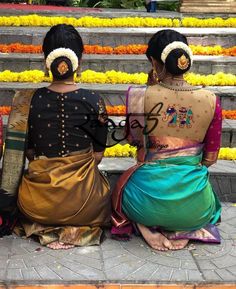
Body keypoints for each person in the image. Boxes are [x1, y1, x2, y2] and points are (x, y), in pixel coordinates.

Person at [0, 24, 110, 249]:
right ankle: (75, 228)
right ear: (79, 60)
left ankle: (48, 226)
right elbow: (97, 157)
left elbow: (28, 153)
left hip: (37, 205)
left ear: (46, 60)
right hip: (86, 203)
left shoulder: (27, 100)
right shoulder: (95, 100)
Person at [111, 29, 222, 251]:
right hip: (195, 206)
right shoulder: (211, 100)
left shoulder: (139, 97)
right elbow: (209, 159)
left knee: (120, 195)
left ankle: (145, 226)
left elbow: (134, 140)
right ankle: (187, 229)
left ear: (155, 61)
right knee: (209, 205)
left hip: (145, 201)